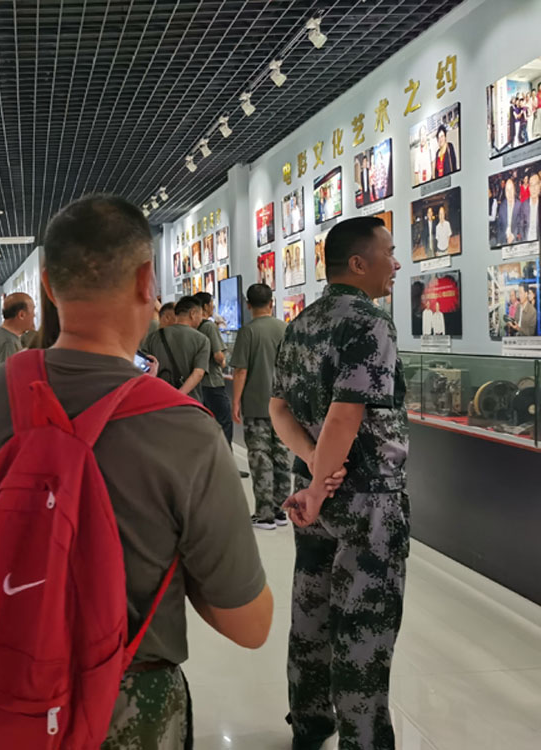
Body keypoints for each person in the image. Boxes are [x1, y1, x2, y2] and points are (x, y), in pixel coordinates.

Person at [0, 194, 273, 747]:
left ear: (47, 286)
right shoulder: (186, 429)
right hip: (131, 706)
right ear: (146, 282)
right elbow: (249, 624)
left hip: (11, 695)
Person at [269, 216, 407, 750]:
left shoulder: (301, 323)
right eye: (389, 253)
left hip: (317, 499)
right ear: (358, 263)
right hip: (368, 498)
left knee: (312, 611)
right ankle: (363, 740)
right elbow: (346, 415)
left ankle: (309, 722)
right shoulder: (370, 323)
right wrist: (320, 484)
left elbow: (279, 409)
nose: (396, 264)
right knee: (364, 626)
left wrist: (313, 475)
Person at [230, 284, 290, 530]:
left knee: (260, 458)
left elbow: (241, 371)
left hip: (257, 405)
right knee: (282, 456)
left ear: (248, 305)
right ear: (271, 303)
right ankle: (281, 510)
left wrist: (235, 401)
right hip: (284, 406)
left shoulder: (248, 332)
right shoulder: (285, 328)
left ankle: (264, 515)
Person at [142, 296, 210, 400]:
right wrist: (177, 396)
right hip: (188, 401)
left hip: (158, 398)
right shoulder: (202, 340)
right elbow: (198, 373)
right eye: (201, 315)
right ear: (192, 313)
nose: (201, 320)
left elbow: (144, 365)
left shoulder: (154, 336)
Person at [193, 292, 233, 446]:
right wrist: (223, 361)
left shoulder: (195, 327)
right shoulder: (209, 326)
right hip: (213, 382)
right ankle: (225, 458)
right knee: (224, 422)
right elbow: (218, 356)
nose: (213, 307)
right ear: (205, 306)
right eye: (211, 304)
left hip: (199, 384)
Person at [0, 293, 35, 373]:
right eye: (32, 311)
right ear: (21, 315)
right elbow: (10, 376)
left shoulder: (4, 335)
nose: (34, 315)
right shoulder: (8, 342)